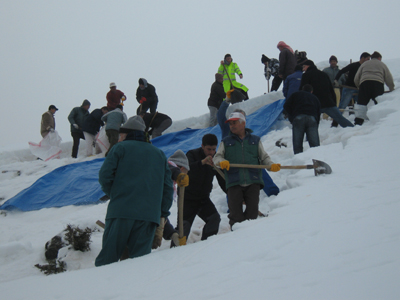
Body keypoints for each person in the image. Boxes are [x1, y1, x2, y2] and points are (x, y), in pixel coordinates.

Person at [95, 116, 174, 267]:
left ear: (127, 134)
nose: (119, 138)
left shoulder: (120, 148)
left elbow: (104, 176)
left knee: (107, 261)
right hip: (148, 217)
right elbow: (168, 188)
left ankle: (100, 289)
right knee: (138, 264)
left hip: (121, 212)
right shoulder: (159, 155)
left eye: (120, 135)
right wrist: (161, 213)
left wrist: (117, 195)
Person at [213, 112, 281, 228]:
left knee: (252, 214)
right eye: (230, 124)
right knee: (235, 216)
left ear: (243, 123)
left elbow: (264, 157)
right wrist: (221, 162)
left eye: (234, 123)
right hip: (234, 181)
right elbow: (217, 158)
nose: (232, 126)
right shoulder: (226, 141)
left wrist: (271, 165)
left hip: (253, 181)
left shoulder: (255, 140)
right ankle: (236, 238)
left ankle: (251, 239)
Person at [217, 90, 280, 197]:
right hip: (232, 161)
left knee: (258, 169)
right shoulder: (226, 128)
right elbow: (220, 115)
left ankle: (273, 192)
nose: (234, 124)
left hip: (248, 160)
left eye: (241, 118)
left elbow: (262, 155)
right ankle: (233, 207)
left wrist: (270, 164)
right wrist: (227, 100)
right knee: (233, 182)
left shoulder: (249, 136)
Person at [174, 134, 226, 245]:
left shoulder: (216, 159)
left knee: (214, 219)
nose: (211, 152)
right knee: (183, 229)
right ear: (202, 146)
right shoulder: (192, 154)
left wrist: (231, 193)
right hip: (187, 199)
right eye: (208, 149)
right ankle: (173, 253)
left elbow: (222, 180)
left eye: (213, 149)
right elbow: (186, 170)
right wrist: (202, 162)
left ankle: (205, 245)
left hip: (203, 199)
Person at [152, 150, 190, 249]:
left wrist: (173, 234)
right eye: (186, 172)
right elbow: (170, 169)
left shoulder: (168, 182)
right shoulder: (165, 169)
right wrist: (178, 174)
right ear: (182, 168)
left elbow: (162, 213)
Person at [300, 60, 354, 128]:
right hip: (328, 102)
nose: (303, 69)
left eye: (304, 67)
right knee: (340, 119)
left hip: (314, 103)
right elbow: (331, 89)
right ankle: (353, 130)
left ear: (308, 66)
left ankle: (310, 138)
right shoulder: (324, 74)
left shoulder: (306, 75)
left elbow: (303, 90)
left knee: (312, 124)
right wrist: (333, 102)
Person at [353, 51, 395, 125]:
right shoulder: (382, 64)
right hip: (377, 84)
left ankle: (358, 121)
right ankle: (379, 120)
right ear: (379, 58)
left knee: (361, 103)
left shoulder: (364, 64)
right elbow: (388, 78)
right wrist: (392, 89)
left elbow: (356, 77)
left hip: (365, 83)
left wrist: (359, 87)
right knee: (378, 102)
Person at [284, 84, 321, 154]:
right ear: (311, 91)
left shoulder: (295, 95)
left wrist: (292, 117)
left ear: (302, 89)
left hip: (298, 118)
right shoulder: (315, 98)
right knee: (315, 145)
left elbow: (286, 106)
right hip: (312, 119)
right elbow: (318, 112)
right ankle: (317, 160)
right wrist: (316, 124)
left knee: (297, 144)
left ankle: (299, 160)